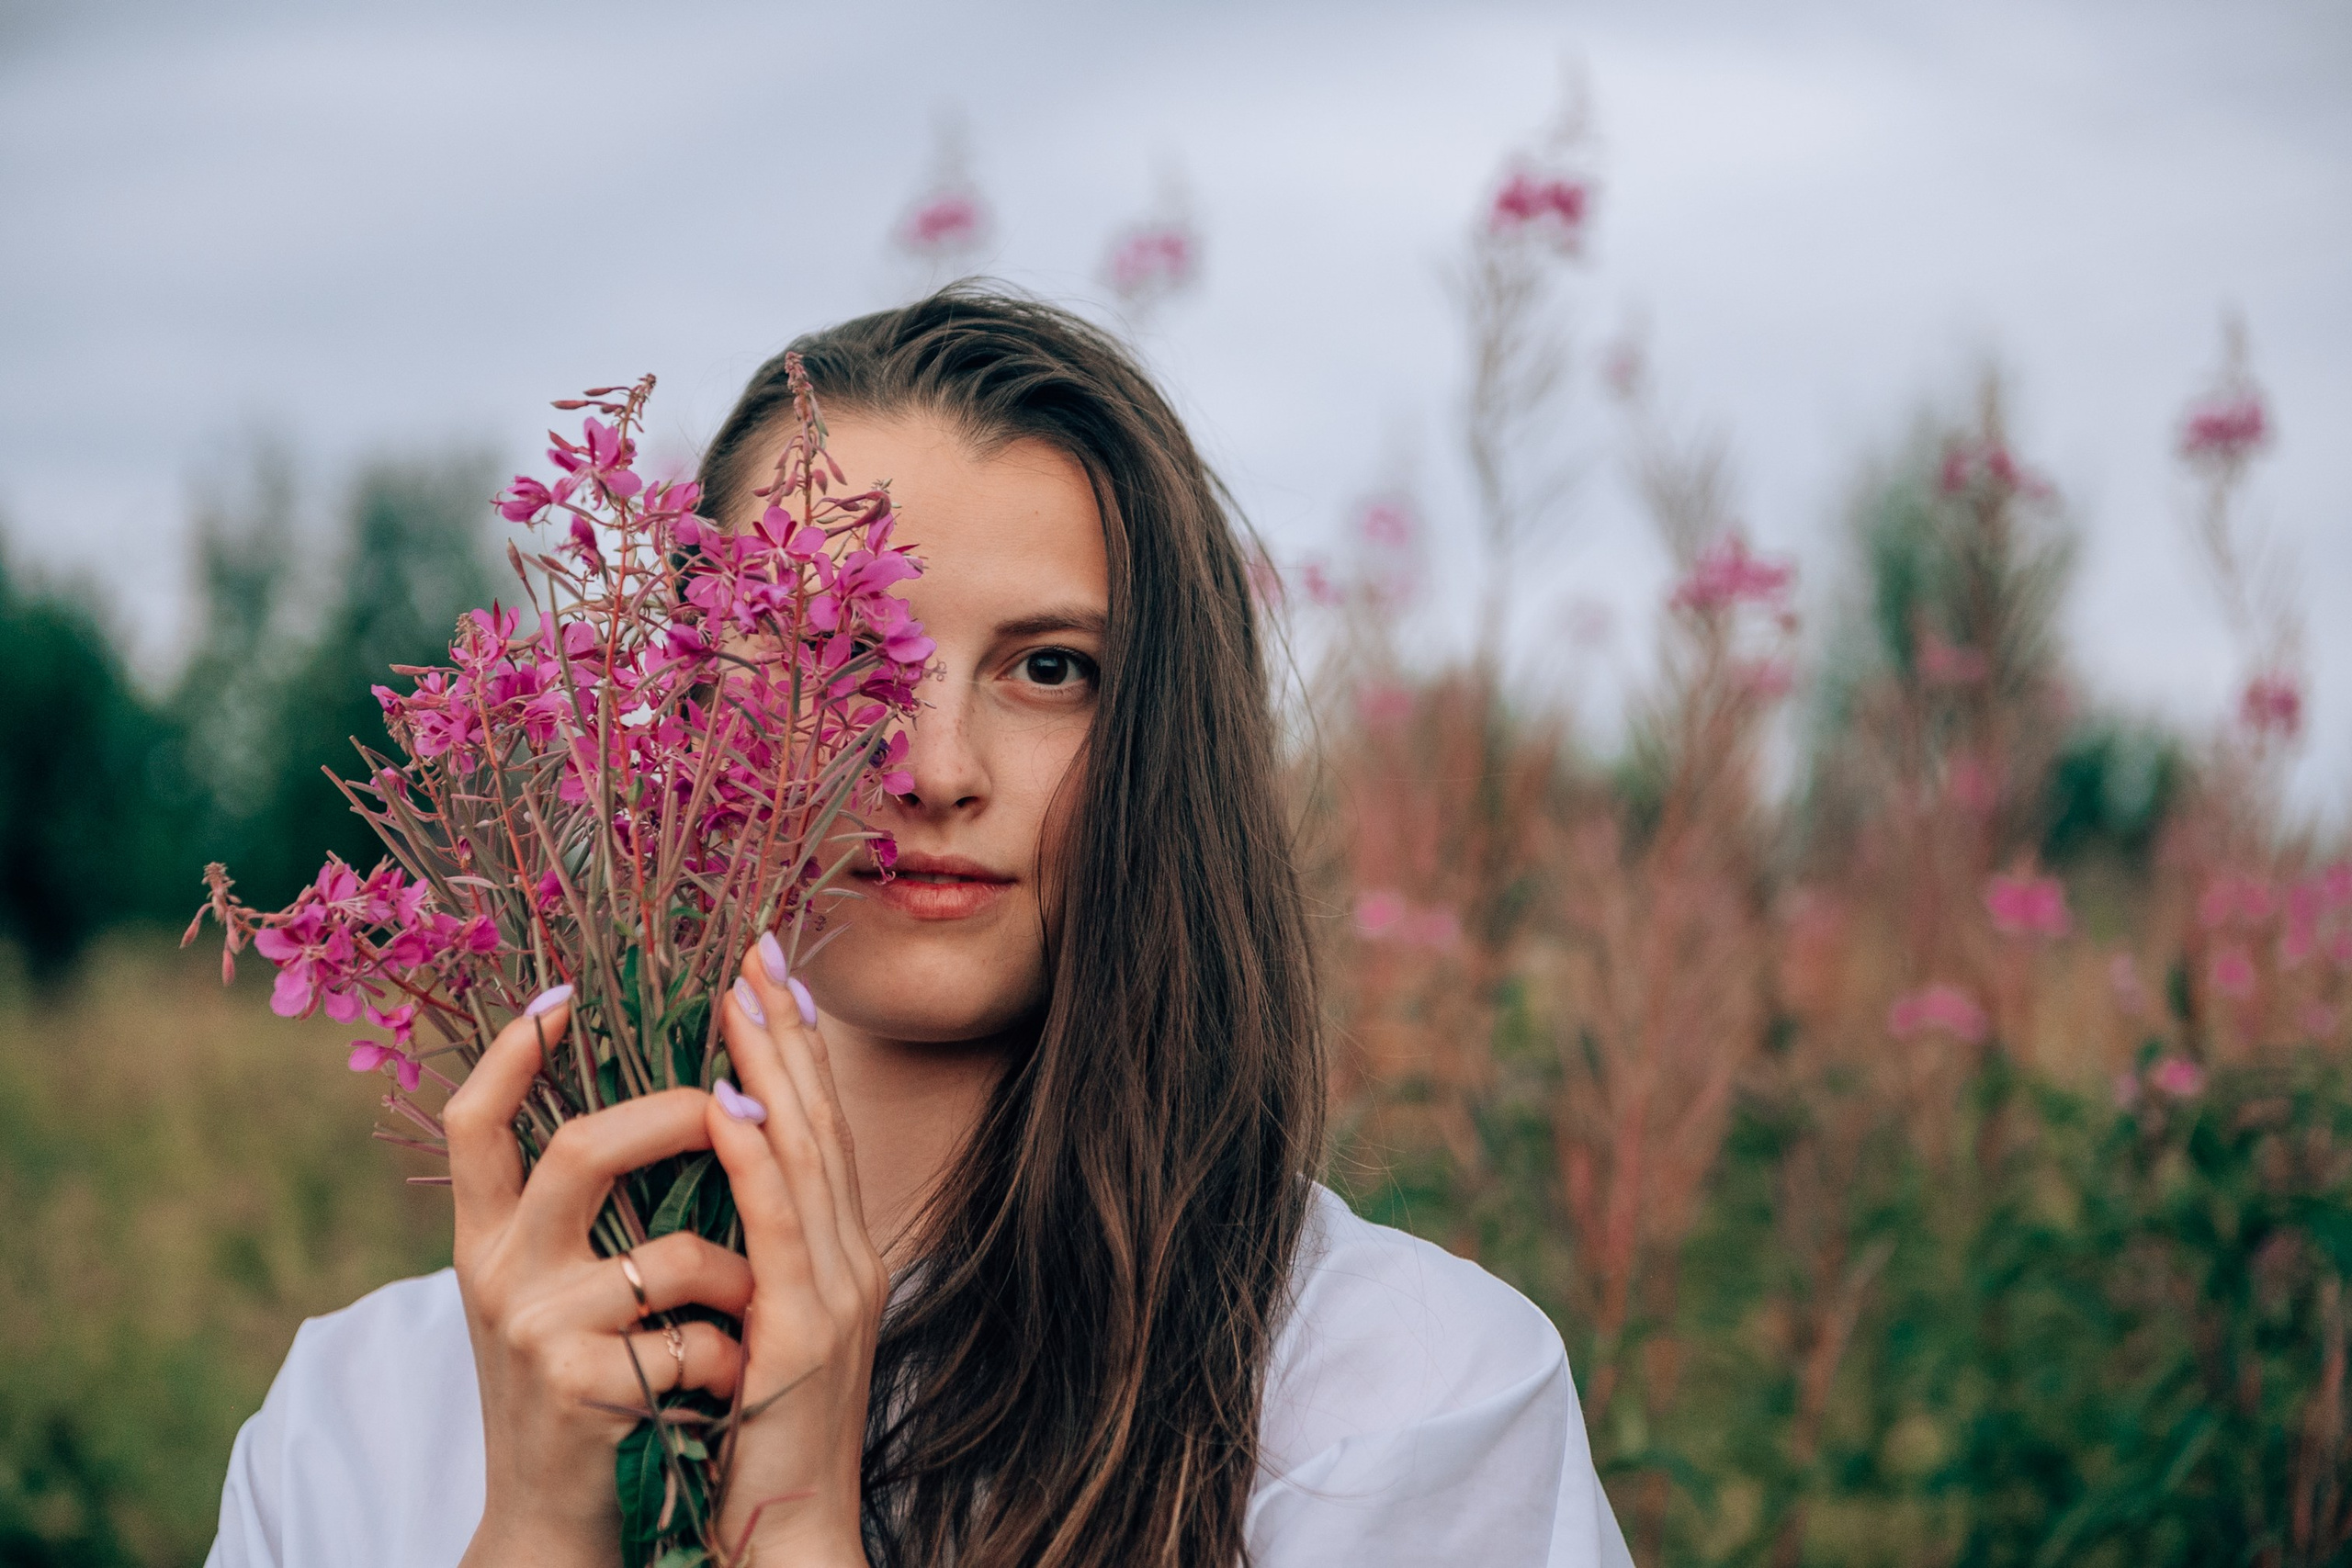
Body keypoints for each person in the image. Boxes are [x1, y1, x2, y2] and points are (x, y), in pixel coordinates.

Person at [206, 287, 1633, 1568]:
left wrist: (813, 1538)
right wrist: (532, 1532)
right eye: (831, 656)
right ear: (685, 710)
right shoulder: (360, 1419)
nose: (935, 769)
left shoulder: (1400, 1401)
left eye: (1053, 669)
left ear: (1165, 743)